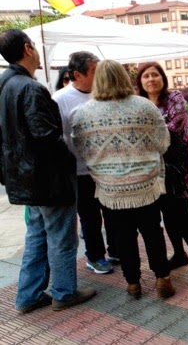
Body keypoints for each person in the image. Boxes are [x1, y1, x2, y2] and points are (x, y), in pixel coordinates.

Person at [0, 29, 96, 313]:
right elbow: (46, 137)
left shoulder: (5, 84)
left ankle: (28, 296)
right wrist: (68, 160)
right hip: (47, 179)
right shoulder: (30, 87)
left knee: (37, 236)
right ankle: (64, 292)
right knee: (62, 237)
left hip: (24, 178)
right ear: (28, 50)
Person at [72, 60, 175, 299]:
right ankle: (162, 279)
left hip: (110, 190)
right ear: (124, 77)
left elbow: (82, 150)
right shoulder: (144, 107)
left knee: (122, 236)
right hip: (146, 185)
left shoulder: (84, 113)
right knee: (152, 232)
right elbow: (163, 142)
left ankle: (133, 284)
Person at [136, 62, 188, 284]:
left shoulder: (175, 98)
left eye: (155, 75)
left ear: (162, 78)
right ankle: (179, 253)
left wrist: (144, 132)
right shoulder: (138, 103)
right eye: (146, 76)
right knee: (167, 215)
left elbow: (174, 127)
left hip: (177, 168)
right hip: (152, 171)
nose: (151, 79)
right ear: (140, 82)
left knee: (183, 215)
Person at [53, 51, 118, 275]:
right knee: (90, 217)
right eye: (94, 71)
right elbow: (58, 137)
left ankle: (115, 249)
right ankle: (95, 256)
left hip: (107, 167)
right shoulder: (60, 99)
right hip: (80, 171)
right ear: (78, 75)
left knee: (112, 211)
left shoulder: (103, 93)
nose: (99, 75)